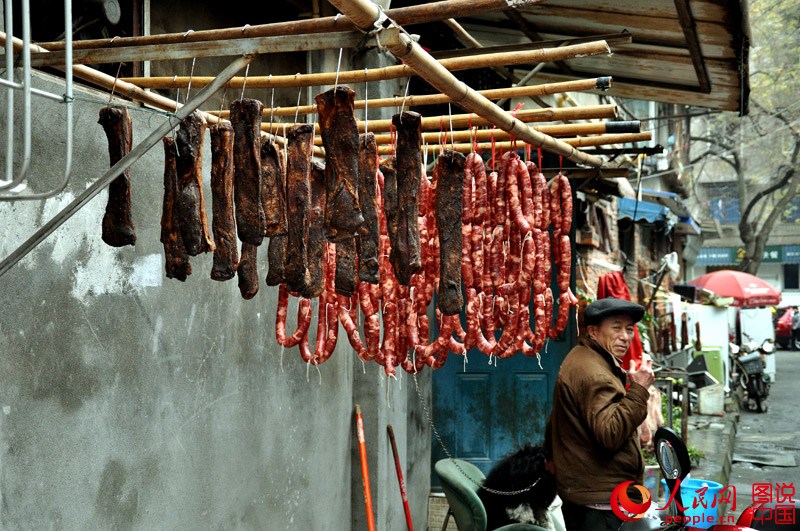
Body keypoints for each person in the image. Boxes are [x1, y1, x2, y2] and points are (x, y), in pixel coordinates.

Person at [545, 297, 655, 531]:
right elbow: (610, 434)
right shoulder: (595, 373)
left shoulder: (586, 358)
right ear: (593, 332)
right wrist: (639, 390)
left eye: (629, 329)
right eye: (616, 328)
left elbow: (557, 417)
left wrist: (551, 456)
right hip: (601, 501)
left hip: (590, 492)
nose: (625, 337)